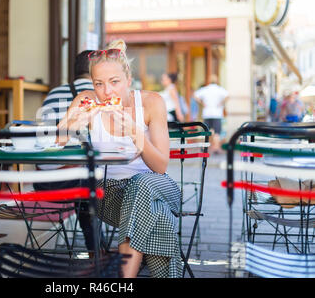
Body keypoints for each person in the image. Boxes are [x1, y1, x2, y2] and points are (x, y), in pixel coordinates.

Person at [58, 39, 182, 278]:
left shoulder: (151, 102)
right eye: (99, 84)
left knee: (142, 184)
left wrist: (136, 134)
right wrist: (71, 125)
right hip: (109, 194)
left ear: (128, 78)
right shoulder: (87, 99)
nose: (107, 92)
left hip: (158, 187)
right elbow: (56, 142)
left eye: (114, 82)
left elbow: (160, 166)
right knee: (159, 217)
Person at [36, 50, 105, 255]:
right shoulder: (100, 94)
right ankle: (97, 247)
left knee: (84, 177)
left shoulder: (54, 93)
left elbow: (44, 141)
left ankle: (96, 246)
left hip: (46, 182)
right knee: (91, 177)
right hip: (83, 181)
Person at [193, 75, 228, 154]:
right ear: (217, 81)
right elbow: (227, 96)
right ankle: (216, 148)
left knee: (206, 131)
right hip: (217, 113)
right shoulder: (219, 89)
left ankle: (204, 147)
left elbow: (195, 95)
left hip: (207, 113)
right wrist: (221, 103)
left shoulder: (205, 89)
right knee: (217, 132)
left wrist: (202, 103)